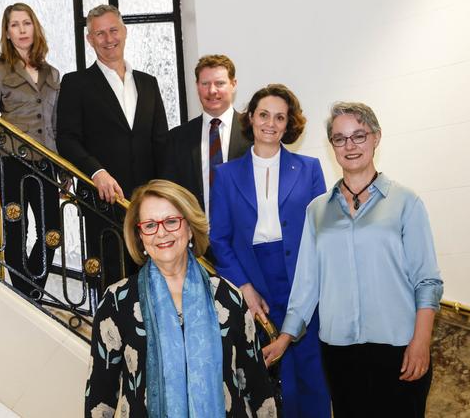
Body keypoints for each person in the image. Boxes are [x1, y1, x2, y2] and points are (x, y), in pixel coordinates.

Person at [267, 102, 443, 418]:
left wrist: (421, 341)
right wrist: (284, 338)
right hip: (340, 355)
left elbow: (427, 281)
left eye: (359, 136)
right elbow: (307, 284)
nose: (350, 146)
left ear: (376, 138)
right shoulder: (317, 211)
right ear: (331, 145)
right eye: (340, 138)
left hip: (399, 350)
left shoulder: (406, 202)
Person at [85, 179, 277, 417]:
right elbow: (100, 396)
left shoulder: (228, 297)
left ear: (190, 228)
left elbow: (258, 389)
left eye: (171, 221)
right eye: (150, 225)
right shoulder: (117, 301)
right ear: (140, 235)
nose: (161, 232)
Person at [210, 84, 331, 418]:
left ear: (288, 123)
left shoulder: (309, 169)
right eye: (264, 114)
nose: (271, 123)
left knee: (311, 376)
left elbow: (321, 234)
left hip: (302, 280)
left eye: (280, 117)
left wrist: (309, 287)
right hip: (252, 279)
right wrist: (244, 288)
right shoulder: (225, 174)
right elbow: (219, 238)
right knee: (266, 380)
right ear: (251, 118)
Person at [57, 4, 168, 286]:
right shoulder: (76, 83)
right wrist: (97, 173)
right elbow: (66, 139)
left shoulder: (149, 83)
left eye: (113, 30)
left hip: (148, 205)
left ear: (125, 32)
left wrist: (165, 195)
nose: (109, 39)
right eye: (100, 34)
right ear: (89, 39)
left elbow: (161, 142)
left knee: (155, 281)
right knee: (112, 283)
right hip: (103, 203)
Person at [0, 3, 60, 298]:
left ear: (35, 28)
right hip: (11, 159)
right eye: (14, 25)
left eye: (26, 23)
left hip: (46, 161)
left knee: (52, 234)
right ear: (7, 33)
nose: (22, 30)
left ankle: (30, 293)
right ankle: (25, 297)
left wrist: (62, 165)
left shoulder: (52, 73)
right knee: (16, 229)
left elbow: (55, 123)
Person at [164, 54, 250, 217]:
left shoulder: (253, 133)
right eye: (205, 84)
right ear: (197, 86)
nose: (212, 90)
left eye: (220, 83)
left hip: (244, 236)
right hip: (197, 235)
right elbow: (170, 193)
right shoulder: (177, 138)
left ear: (233, 84)